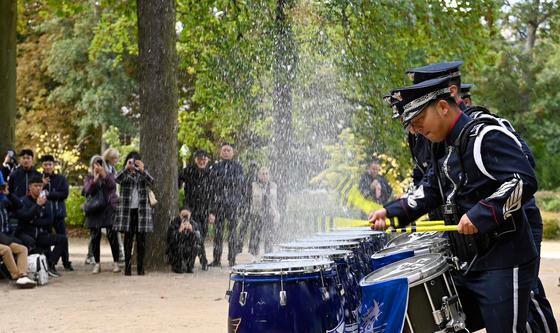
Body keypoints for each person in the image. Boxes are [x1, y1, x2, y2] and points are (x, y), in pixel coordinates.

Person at [370, 75, 538, 332]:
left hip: (503, 261)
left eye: (418, 121)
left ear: (443, 107)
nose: (416, 130)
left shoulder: (485, 135)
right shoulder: (441, 147)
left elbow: (522, 179)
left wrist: (481, 214)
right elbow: (429, 192)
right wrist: (390, 213)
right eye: (411, 125)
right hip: (465, 262)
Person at [14, 175, 69, 277]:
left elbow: (49, 220)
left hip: (41, 235)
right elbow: (25, 218)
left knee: (62, 239)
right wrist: (37, 206)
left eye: (40, 186)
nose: (39, 188)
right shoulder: (23, 201)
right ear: (30, 187)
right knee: (34, 246)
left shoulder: (46, 202)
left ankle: (50, 265)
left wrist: (33, 221)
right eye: (36, 186)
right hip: (27, 235)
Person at [113, 151, 154, 276]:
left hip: (141, 212)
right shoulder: (124, 174)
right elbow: (116, 179)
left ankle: (141, 269)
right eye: (130, 162)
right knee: (128, 240)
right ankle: (128, 268)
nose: (133, 165)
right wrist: (126, 169)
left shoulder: (142, 174)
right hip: (127, 212)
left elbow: (152, 181)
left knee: (141, 241)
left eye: (135, 162)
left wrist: (142, 170)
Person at [208, 143, 245, 267]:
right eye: (224, 150)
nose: (226, 152)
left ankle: (232, 259)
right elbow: (212, 187)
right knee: (217, 234)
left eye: (228, 150)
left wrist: (223, 181)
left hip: (233, 205)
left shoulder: (238, 167)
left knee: (232, 233)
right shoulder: (215, 167)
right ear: (220, 152)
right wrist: (212, 210)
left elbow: (239, 184)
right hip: (218, 204)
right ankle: (217, 259)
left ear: (232, 153)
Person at [83, 156, 120, 274]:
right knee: (95, 237)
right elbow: (87, 191)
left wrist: (103, 175)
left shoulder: (109, 175)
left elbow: (112, 186)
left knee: (112, 236)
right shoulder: (89, 177)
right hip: (94, 210)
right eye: (95, 164)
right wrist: (94, 179)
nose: (97, 166)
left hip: (108, 209)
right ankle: (97, 263)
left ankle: (116, 262)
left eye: (99, 163)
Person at [179, 149, 212, 271]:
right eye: (199, 159)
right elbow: (178, 180)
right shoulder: (188, 171)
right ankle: (197, 261)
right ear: (195, 160)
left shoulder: (210, 173)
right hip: (191, 208)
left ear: (207, 160)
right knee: (195, 234)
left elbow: (214, 194)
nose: (202, 161)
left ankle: (201, 260)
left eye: (204, 159)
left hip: (205, 209)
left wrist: (212, 211)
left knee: (201, 235)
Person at [0, 181, 36, 288]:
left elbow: (19, 205)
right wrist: (8, 241)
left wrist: (9, 194)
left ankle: (23, 275)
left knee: (22, 249)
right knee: (6, 249)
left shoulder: (3, 203)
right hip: (3, 240)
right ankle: (17, 277)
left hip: (4, 238)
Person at [40, 155, 73, 271]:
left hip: (58, 213)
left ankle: (66, 262)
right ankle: (49, 262)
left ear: (54, 165)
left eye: (50, 164)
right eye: (45, 164)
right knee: (47, 239)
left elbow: (64, 194)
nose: (48, 167)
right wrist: (42, 185)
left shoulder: (61, 178)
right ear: (42, 166)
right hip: (44, 214)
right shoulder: (38, 178)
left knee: (63, 238)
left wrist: (50, 194)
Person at [248, 167, 279, 256]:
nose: (264, 176)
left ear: (269, 175)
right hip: (257, 213)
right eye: (262, 174)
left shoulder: (274, 186)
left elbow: (276, 201)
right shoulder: (254, 185)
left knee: (269, 236)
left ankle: (268, 254)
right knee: (255, 235)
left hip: (269, 213)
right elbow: (249, 199)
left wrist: (276, 213)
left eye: (266, 174)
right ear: (259, 175)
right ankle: (253, 255)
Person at [103, 148, 125, 263]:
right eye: (115, 158)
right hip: (106, 203)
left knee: (113, 229)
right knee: (102, 229)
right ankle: (91, 254)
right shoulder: (105, 168)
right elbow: (110, 183)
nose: (117, 160)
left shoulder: (113, 168)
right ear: (110, 158)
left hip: (113, 202)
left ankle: (120, 252)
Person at [166, 208, 201, 273]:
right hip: (175, 248)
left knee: (196, 247)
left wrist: (192, 231)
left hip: (188, 246)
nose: (185, 218)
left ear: (190, 215)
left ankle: (189, 266)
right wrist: (179, 230)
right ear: (179, 215)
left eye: (187, 215)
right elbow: (171, 240)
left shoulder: (193, 223)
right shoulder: (174, 222)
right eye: (183, 215)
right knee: (179, 246)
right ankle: (177, 266)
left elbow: (199, 240)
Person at [237, 160, 258, 254]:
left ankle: (252, 249)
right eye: (252, 166)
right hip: (247, 205)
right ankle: (239, 248)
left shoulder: (257, 179)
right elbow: (241, 192)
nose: (253, 168)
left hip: (254, 206)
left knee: (254, 229)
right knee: (243, 229)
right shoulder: (245, 178)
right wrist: (242, 206)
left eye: (254, 166)